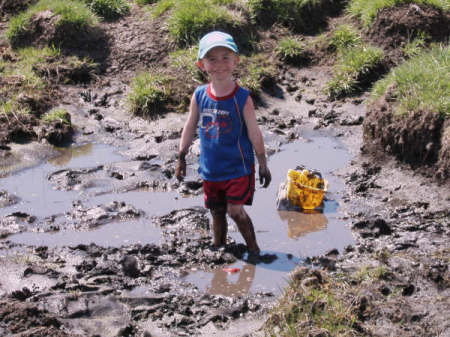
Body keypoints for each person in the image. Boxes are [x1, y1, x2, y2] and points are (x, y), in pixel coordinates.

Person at [175, 31, 271, 255]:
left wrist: (263, 163)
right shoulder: (199, 95)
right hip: (211, 171)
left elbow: (255, 133)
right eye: (212, 59)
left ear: (235, 61)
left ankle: (255, 250)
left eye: (225, 58)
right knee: (216, 211)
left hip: (238, 169)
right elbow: (189, 126)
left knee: (235, 211)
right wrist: (181, 157)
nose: (219, 64)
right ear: (202, 65)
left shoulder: (242, 98)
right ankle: (218, 249)